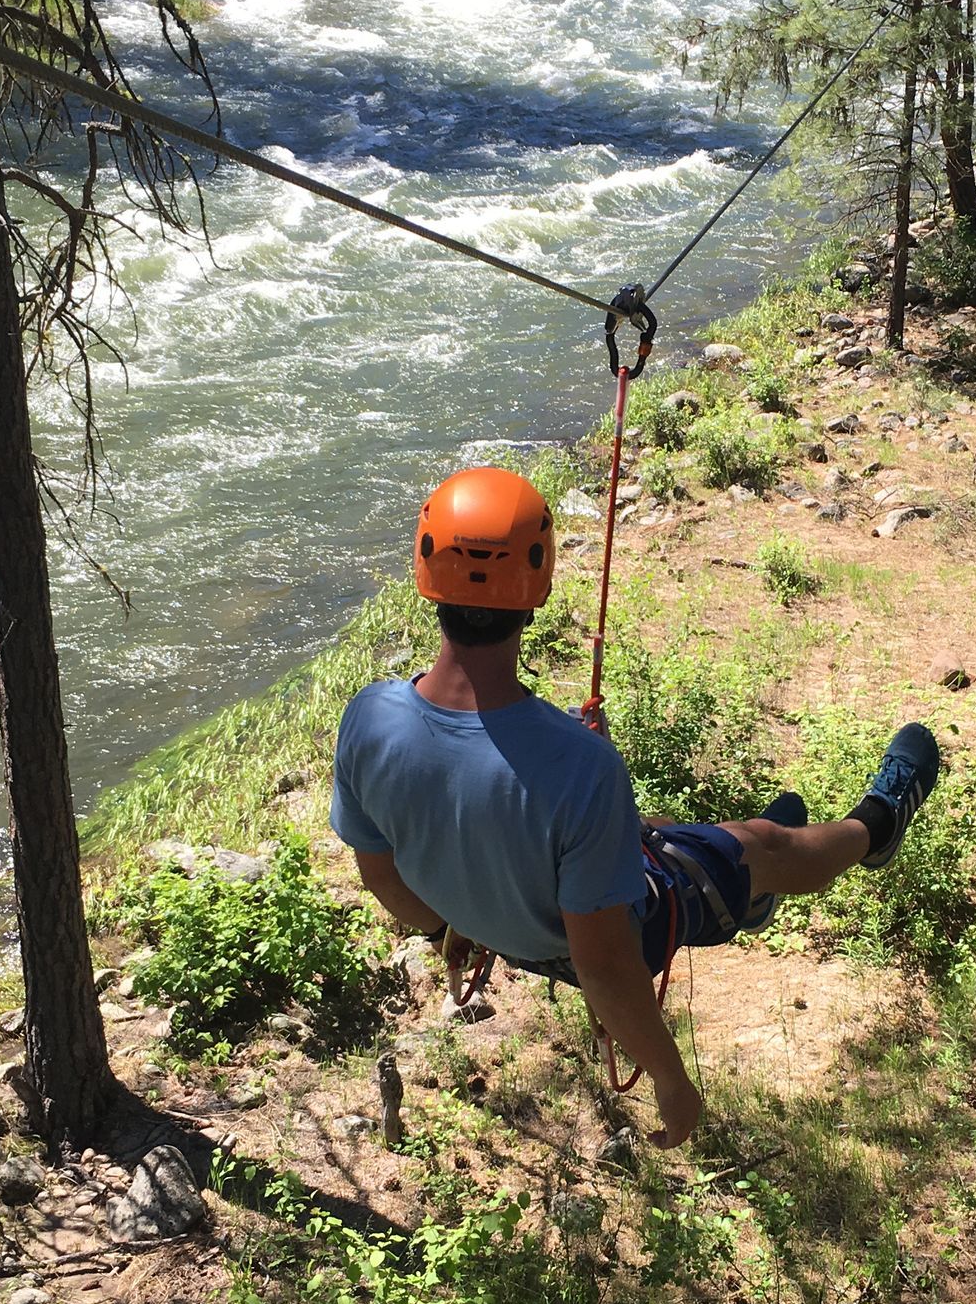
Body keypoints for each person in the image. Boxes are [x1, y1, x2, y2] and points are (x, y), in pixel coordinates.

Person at [330, 466, 942, 1148]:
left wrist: (470, 910)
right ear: (538, 588)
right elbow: (605, 966)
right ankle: (875, 826)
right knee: (766, 846)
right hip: (576, 940)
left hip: (507, 921)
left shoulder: (368, 719)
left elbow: (391, 884)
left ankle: (738, 873)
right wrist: (671, 1080)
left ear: (426, 575)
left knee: (648, 829)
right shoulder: (582, 769)